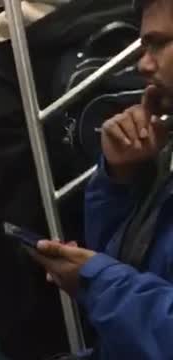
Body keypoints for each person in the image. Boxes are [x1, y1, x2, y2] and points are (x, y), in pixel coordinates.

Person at [28, 0, 173, 358]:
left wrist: (97, 280)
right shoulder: (161, 154)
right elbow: (128, 265)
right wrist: (118, 179)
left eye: (157, 44)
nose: (143, 64)